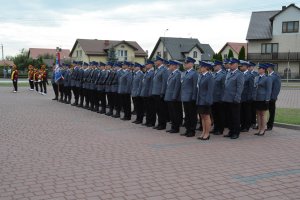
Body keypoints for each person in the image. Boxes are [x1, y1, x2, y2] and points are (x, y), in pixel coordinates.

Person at [222, 58, 244, 139]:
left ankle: (236, 132)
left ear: (237, 64)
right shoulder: (229, 73)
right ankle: (231, 131)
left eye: (232, 64)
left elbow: (240, 88)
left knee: (235, 117)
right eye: (229, 64)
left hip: (234, 99)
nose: (230, 65)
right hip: (227, 99)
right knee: (229, 117)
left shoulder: (239, 74)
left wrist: (237, 98)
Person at [196, 61, 215, 140]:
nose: (200, 68)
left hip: (206, 100)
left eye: (201, 67)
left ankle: (207, 133)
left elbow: (210, 90)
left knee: (207, 117)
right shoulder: (201, 76)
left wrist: (208, 101)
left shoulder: (209, 77)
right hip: (200, 99)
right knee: (202, 117)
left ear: (206, 68)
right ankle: (203, 132)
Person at [180, 57, 198, 137]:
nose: (185, 64)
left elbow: (195, 87)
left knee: (192, 115)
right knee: (187, 114)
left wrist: (194, 97)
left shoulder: (194, 73)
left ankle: (192, 130)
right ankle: (187, 129)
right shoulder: (185, 73)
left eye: (186, 63)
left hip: (191, 98)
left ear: (191, 64)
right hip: (185, 97)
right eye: (184, 63)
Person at [253, 63, 272, 136]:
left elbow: (269, 90)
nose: (258, 69)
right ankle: (259, 129)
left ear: (264, 70)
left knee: (263, 114)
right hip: (257, 98)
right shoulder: (256, 77)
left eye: (259, 68)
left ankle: (263, 129)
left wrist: (267, 99)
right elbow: (254, 88)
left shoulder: (267, 78)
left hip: (263, 99)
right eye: (258, 68)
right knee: (258, 114)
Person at [164, 60, 182, 133]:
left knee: (175, 113)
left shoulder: (178, 74)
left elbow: (177, 87)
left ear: (174, 66)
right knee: (171, 113)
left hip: (174, 97)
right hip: (169, 96)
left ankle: (176, 128)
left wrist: (174, 97)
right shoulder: (172, 74)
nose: (169, 66)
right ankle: (173, 127)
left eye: (170, 65)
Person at [152, 56, 169, 130]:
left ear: (161, 61)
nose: (155, 62)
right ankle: (159, 123)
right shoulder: (157, 70)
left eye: (156, 61)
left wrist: (162, 92)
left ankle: (163, 125)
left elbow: (164, 82)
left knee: (162, 110)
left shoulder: (164, 70)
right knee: (157, 109)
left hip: (160, 93)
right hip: (155, 92)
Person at [211, 60, 226, 135]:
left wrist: (222, 98)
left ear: (219, 66)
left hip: (220, 99)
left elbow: (224, 88)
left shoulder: (223, 75)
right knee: (215, 115)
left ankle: (220, 129)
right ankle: (215, 128)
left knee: (220, 115)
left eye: (215, 66)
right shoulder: (214, 74)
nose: (213, 67)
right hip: (214, 98)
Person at [239, 60, 254, 132]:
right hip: (241, 97)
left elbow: (251, 88)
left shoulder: (250, 75)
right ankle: (242, 125)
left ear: (246, 67)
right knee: (241, 112)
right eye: (240, 66)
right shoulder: (240, 74)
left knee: (247, 112)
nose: (241, 67)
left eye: (242, 66)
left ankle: (246, 126)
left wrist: (249, 97)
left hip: (247, 98)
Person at [266, 63, 281, 131]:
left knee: (271, 112)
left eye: (267, 67)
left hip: (271, 97)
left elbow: (277, 88)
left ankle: (270, 125)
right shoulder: (267, 75)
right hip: (266, 97)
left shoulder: (276, 76)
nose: (266, 68)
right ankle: (263, 124)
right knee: (263, 111)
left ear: (270, 68)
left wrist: (273, 97)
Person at [140, 60, 155, 127]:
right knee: (147, 109)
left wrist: (150, 93)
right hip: (145, 93)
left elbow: (151, 84)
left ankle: (151, 122)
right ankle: (147, 121)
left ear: (151, 65)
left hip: (149, 94)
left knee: (151, 109)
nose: (146, 65)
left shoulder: (152, 73)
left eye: (147, 64)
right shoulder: (146, 72)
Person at [248, 62, 259, 129]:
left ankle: (253, 122)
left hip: (254, 94)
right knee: (248, 110)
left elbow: (256, 85)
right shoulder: (247, 74)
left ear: (253, 67)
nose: (249, 68)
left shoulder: (256, 74)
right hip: (248, 94)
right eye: (248, 66)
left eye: (250, 66)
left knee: (253, 110)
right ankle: (249, 122)